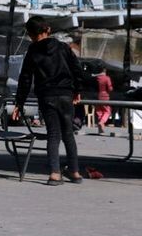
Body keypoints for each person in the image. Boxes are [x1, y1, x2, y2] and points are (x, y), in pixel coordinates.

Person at [13, 16, 82, 185]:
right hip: (66, 94)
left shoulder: (32, 51)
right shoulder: (63, 47)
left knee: (53, 134)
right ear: (48, 30)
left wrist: (19, 102)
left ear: (29, 34)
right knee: (68, 134)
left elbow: (25, 78)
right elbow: (77, 69)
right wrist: (77, 91)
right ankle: (75, 172)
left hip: (47, 96)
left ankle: (55, 174)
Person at [95, 67, 114, 133]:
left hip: (98, 95)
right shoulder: (107, 78)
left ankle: (101, 128)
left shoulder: (97, 78)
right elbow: (110, 88)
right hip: (105, 96)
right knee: (107, 111)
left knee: (100, 111)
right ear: (105, 71)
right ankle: (102, 122)